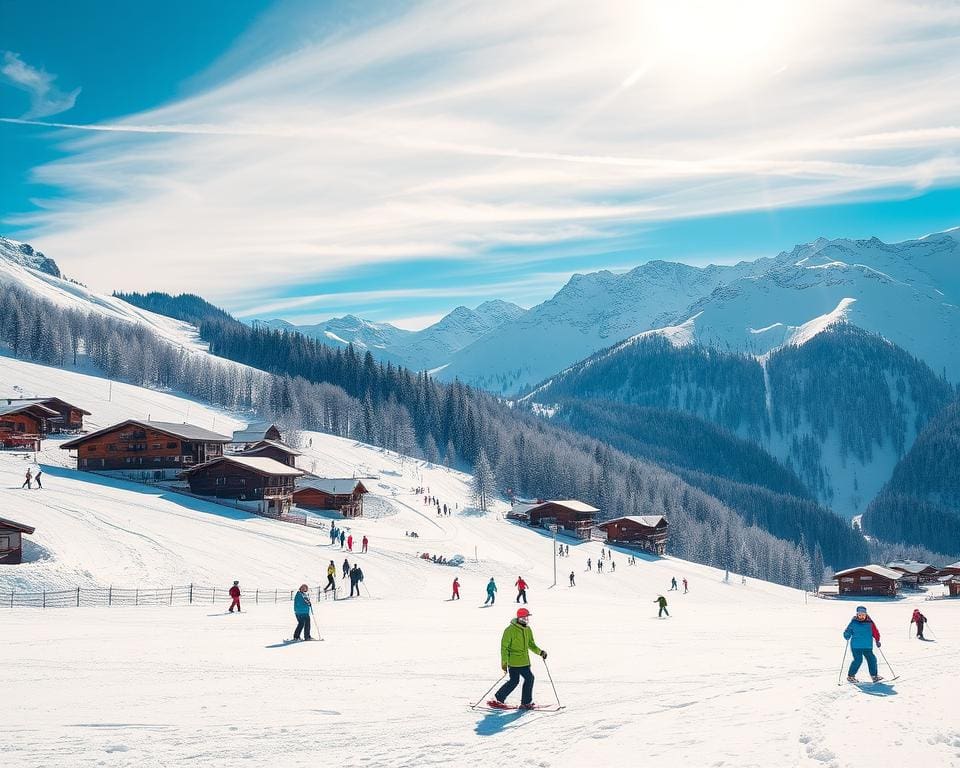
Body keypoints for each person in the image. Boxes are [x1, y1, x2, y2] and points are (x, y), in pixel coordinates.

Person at [488, 608, 547, 710]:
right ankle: (525, 702)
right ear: (519, 618)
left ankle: (499, 698)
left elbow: (531, 644)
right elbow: (504, 647)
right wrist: (504, 662)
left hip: (525, 661)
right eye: (524, 617)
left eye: (527, 617)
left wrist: (540, 652)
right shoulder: (510, 630)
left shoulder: (527, 629)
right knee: (528, 678)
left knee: (515, 680)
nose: (526, 619)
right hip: (514, 661)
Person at [844, 606, 882, 682]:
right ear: (857, 615)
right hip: (856, 646)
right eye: (860, 615)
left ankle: (874, 676)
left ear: (866, 614)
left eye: (863, 615)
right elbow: (847, 631)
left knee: (872, 659)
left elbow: (875, 632)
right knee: (858, 660)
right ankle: (850, 676)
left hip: (867, 646)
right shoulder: (853, 622)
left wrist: (877, 640)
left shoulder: (870, 623)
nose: (861, 616)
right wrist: (847, 635)